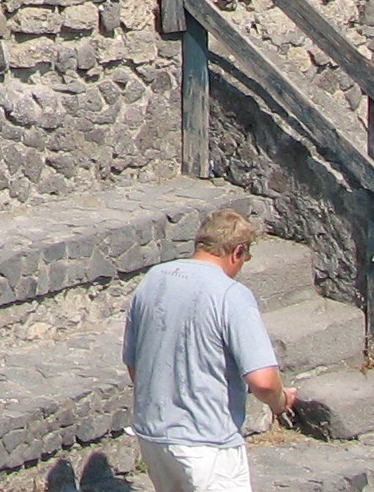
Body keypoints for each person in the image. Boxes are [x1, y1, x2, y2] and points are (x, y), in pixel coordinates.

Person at [123, 207, 297, 492]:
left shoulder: (154, 279)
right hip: (207, 444)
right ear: (237, 251)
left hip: (154, 437)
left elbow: (135, 364)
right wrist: (280, 401)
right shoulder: (231, 295)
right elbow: (264, 381)